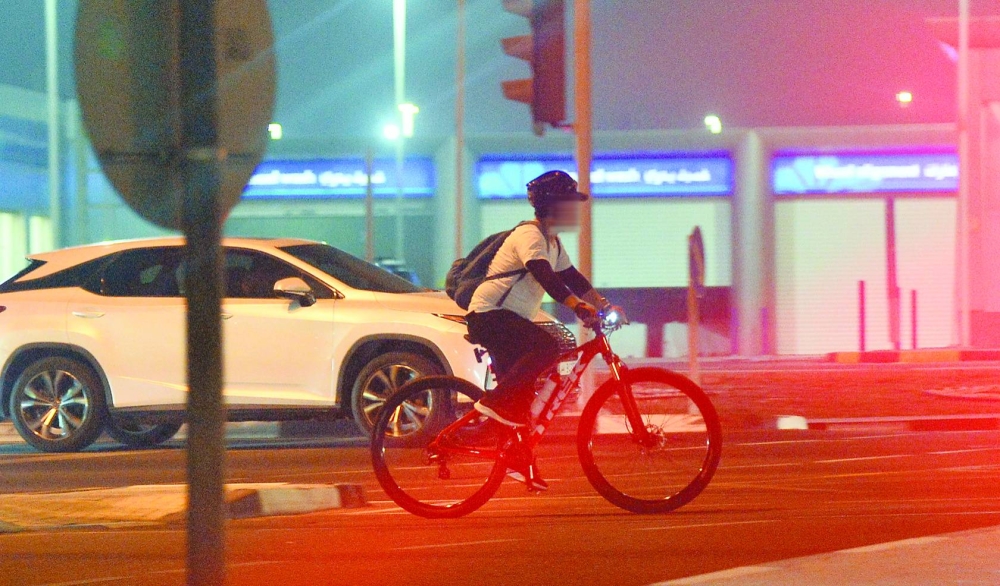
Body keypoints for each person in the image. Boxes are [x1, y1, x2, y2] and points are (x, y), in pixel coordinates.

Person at [467, 170, 612, 431]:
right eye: (569, 204)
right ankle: (494, 402)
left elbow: (572, 277)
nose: (573, 211)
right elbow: (543, 274)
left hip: (508, 319)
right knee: (546, 347)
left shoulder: (552, 241)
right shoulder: (529, 235)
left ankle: (509, 456)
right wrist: (575, 305)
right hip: (490, 315)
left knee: (521, 407)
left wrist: (605, 305)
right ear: (552, 205)